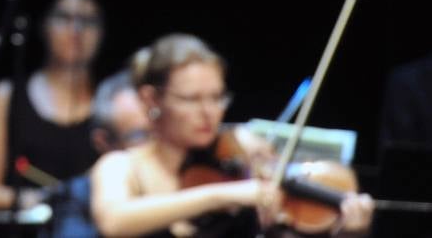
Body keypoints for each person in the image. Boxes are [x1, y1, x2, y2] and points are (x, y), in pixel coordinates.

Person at [90, 33, 375, 237]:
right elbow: (114, 222)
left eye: (217, 98)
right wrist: (223, 195)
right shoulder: (121, 166)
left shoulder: (242, 148)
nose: (209, 112)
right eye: (191, 99)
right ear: (151, 99)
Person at [0, 0, 105, 212]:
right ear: (44, 25)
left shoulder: (116, 101)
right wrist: (38, 200)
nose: (76, 30)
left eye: (88, 21)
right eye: (64, 18)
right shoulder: (7, 97)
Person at [48, 67, 152, 238]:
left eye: (160, 133)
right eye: (139, 136)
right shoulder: (77, 199)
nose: (154, 145)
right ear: (103, 142)